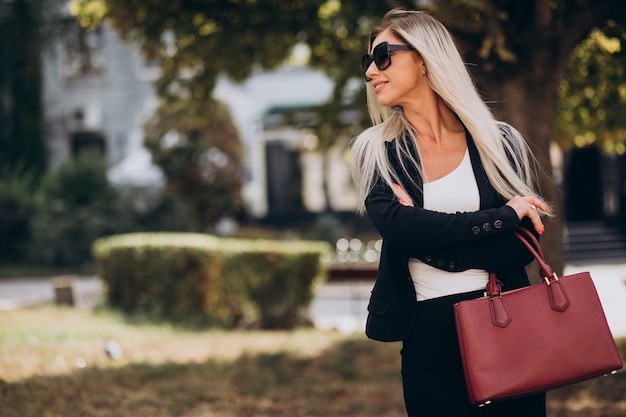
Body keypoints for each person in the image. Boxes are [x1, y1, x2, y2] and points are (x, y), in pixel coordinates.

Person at [351, 9, 551, 417]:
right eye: (368, 61)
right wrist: (501, 218)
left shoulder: (499, 142)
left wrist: (433, 238)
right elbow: (399, 228)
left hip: (506, 321)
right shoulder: (376, 151)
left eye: (383, 56)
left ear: (424, 59)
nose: (371, 71)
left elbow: (520, 245)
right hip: (426, 333)